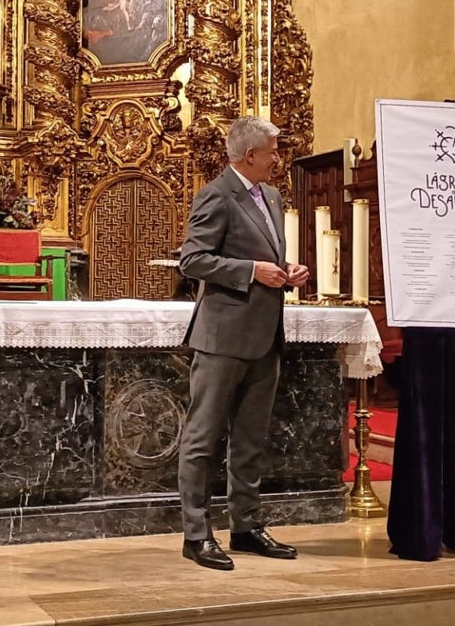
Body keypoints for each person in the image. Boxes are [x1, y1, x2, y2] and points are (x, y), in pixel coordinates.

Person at [176, 116, 310, 571]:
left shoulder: (270, 196)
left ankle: (246, 526)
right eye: (272, 150)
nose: (278, 157)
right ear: (250, 154)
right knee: (203, 437)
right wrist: (252, 272)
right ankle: (196, 534)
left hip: (265, 333)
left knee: (250, 439)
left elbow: (263, 255)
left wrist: (285, 271)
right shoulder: (216, 195)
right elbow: (192, 260)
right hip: (222, 336)